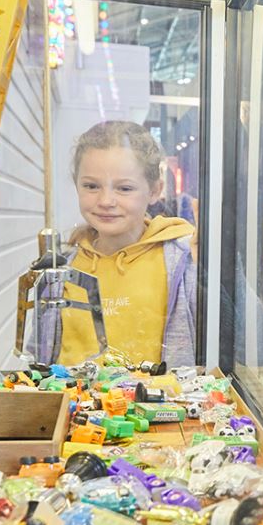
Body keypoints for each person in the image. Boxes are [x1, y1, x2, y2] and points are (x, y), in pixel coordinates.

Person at [40, 120, 197, 368]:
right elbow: (40, 352)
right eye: (91, 186)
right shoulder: (60, 271)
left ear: (155, 190)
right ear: (76, 184)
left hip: (154, 405)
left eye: (124, 188)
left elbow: (256, 346)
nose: (106, 200)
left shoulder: (183, 262)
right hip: (72, 405)